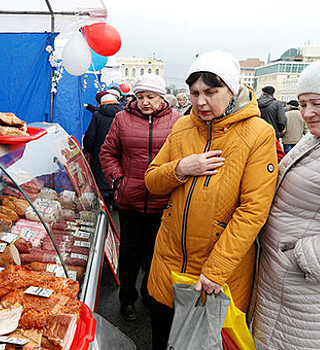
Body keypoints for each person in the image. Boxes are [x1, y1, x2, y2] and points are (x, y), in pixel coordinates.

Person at [144, 50, 278, 349]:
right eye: (194, 93)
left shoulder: (258, 134)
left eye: (210, 92)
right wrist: (181, 168)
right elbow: (152, 181)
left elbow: (253, 211)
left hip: (216, 276)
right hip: (167, 268)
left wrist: (215, 271)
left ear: (231, 89)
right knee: (161, 339)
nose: (200, 101)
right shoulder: (182, 126)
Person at [252, 58, 320, 349]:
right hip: (282, 285)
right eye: (302, 104)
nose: (307, 113)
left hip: (311, 295)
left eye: (317, 102)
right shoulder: (319, 137)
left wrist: (297, 254)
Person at [100, 73, 181, 322]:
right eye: (140, 96)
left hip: (162, 201)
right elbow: (107, 152)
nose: (145, 102)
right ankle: (127, 299)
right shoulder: (121, 118)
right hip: (130, 200)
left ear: (161, 98)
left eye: (151, 96)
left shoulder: (177, 121)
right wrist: (118, 181)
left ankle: (149, 294)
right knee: (130, 254)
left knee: (155, 254)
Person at [83, 94, 122, 210]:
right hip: (117, 151)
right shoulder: (123, 115)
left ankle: (103, 203)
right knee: (115, 172)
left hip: (99, 151)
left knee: (100, 175)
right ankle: (113, 199)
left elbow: (90, 136)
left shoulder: (98, 115)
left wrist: (87, 149)